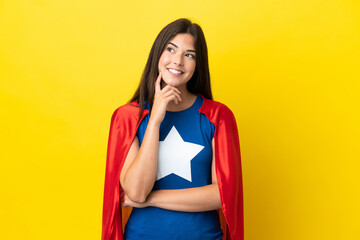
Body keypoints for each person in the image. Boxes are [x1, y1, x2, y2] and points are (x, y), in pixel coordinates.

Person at [102, 18, 243, 240]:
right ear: (158, 53)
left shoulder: (218, 116)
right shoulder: (128, 117)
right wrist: (156, 118)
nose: (178, 61)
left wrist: (152, 199)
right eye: (171, 49)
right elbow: (136, 191)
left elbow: (222, 194)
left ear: (197, 64)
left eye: (189, 55)